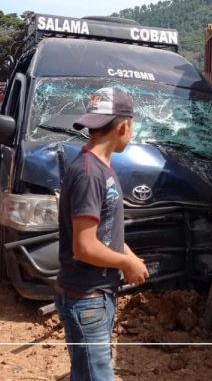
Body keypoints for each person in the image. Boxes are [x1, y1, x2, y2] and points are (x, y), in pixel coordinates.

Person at [55, 87, 149, 381]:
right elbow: (84, 247)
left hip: (96, 295)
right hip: (87, 298)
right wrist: (126, 264)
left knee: (87, 373)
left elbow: (105, 230)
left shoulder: (99, 167)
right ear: (124, 126)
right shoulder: (89, 173)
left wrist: (128, 254)